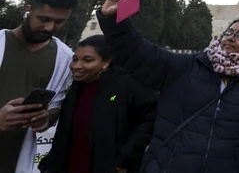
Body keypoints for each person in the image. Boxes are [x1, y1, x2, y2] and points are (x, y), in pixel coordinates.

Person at [97, 0, 239, 173]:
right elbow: (141, 54)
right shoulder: (187, 66)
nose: (231, 37)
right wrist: (113, 21)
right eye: (229, 32)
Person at [39, 35, 157, 173]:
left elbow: (150, 120)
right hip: (71, 163)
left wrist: (125, 158)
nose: (76, 66)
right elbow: (66, 131)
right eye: (75, 59)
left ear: (106, 62)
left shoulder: (129, 86)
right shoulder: (76, 87)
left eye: (87, 60)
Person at [0, 0, 76, 173]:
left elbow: (57, 106)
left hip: (15, 160)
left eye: (59, 22)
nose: (50, 27)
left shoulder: (66, 59)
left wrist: (47, 118)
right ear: (28, 10)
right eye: (44, 19)